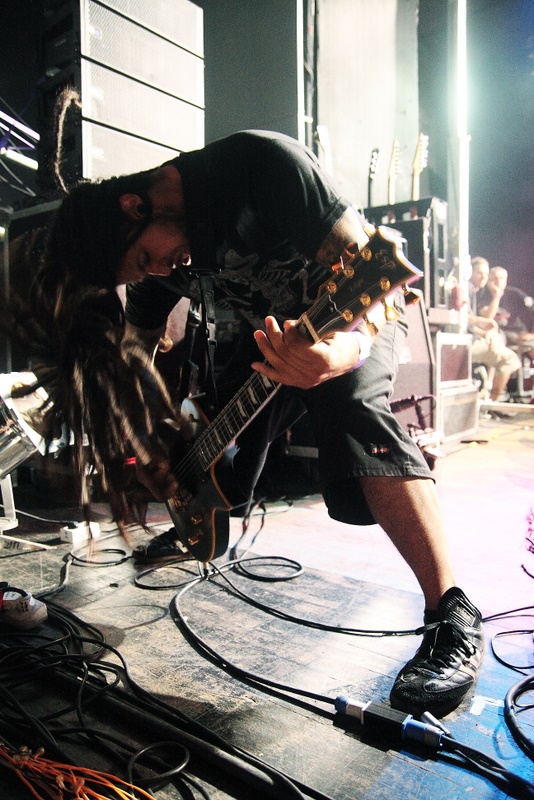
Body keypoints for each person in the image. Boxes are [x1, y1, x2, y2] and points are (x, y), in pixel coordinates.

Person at [10, 119, 484, 718]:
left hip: (341, 318)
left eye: (144, 258)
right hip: (266, 344)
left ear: (136, 205)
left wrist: (336, 356)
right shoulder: (162, 249)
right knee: (212, 448)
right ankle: (196, 520)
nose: (159, 271)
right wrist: (151, 437)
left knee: (357, 409)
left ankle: (454, 617)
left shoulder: (262, 167)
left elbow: (374, 280)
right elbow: (139, 348)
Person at [468, 257, 521, 401]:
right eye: (479, 273)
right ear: (469, 271)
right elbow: (467, 320)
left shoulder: (473, 290)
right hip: (465, 344)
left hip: (476, 337)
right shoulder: (470, 289)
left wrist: (487, 332)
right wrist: (486, 330)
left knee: (499, 341)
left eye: (485, 274)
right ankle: (492, 401)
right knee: (509, 359)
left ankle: (489, 396)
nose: (483, 277)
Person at [478, 266, 534, 358]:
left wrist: (532, 334)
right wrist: (496, 296)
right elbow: (486, 319)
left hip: (520, 332)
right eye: (495, 278)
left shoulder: (515, 293)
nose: (498, 281)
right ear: (488, 280)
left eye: (502, 278)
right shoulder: (482, 295)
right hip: (498, 333)